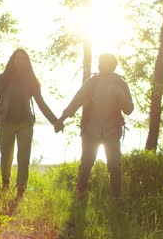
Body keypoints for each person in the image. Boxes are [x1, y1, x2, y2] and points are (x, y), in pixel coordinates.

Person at [54, 53, 134, 201]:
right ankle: (80, 196)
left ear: (112, 66)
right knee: (86, 163)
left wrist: (119, 95)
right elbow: (76, 101)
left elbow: (129, 109)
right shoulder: (91, 83)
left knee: (114, 165)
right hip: (90, 130)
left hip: (112, 130)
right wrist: (61, 119)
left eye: (104, 63)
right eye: (100, 62)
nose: (100, 65)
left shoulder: (121, 84)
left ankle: (116, 199)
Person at [0, 48, 60, 199]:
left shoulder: (31, 80)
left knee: (24, 158)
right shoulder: (4, 78)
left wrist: (55, 121)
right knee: (6, 156)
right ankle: (5, 184)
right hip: (5, 122)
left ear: (27, 61)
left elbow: (40, 102)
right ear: (13, 60)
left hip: (25, 124)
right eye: (17, 58)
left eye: (23, 59)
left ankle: (21, 190)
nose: (20, 61)